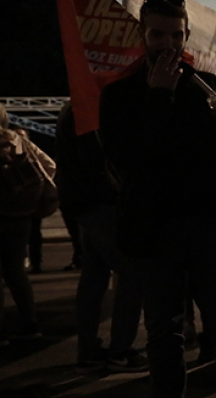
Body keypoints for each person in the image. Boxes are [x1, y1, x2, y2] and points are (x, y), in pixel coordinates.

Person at [98, 0, 216, 398]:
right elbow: (131, 159)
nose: (167, 44)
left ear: (185, 35)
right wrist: (158, 96)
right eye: (157, 34)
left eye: (175, 35)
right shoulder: (120, 95)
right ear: (142, 35)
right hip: (155, 229)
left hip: (210, 226)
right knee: (164, 332)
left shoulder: (205, 85)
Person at [55, 104, 147, 373]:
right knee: (132, 272)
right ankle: (120, 350)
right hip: (101, 203)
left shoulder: (72, 108)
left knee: (94, 278)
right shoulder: (87, 110)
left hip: (84, 203)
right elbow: (98, 159)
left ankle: (89, 351)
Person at [0, 106, 47, 344]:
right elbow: (41, 168)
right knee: (16, 271)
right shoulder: (18, 139)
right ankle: (30, 324)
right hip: (20, 214)